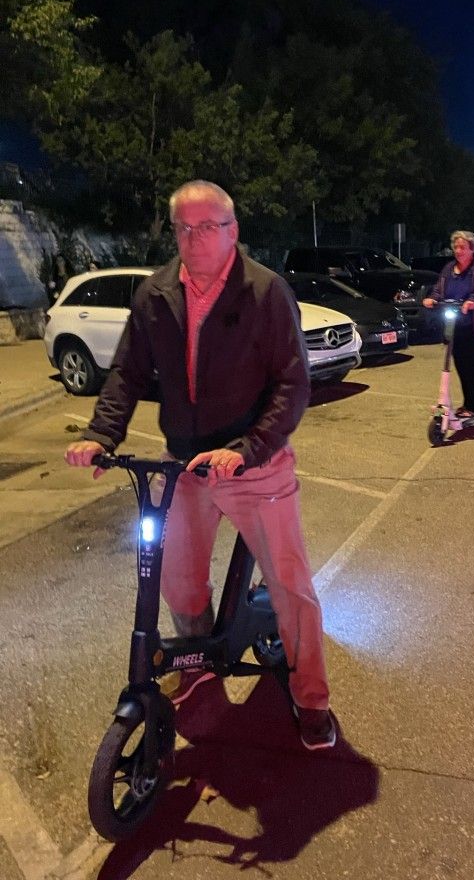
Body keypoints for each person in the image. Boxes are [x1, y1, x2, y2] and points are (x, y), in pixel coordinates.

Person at [65, 179, 335, 751]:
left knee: (291, 587)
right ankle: (199, 667)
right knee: (178, 582)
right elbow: (127, 374)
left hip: (254, 465)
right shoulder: (156, 294)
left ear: (232, 230)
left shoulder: (264, 292)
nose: (193, 238)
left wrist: (247, 450)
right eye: (183, 228)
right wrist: (100, 434)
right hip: (184, 465)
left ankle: (311, 698)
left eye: (207, 226)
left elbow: (293, 384)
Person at [422, 230, 474, 417]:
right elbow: (439, 289)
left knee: (473, 365)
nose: (458, 250)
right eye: (455, 247)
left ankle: (473, 405)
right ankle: (471, 401)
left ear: (472, 248)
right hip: (455, 324)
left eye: (462, 247)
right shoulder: (449, 268)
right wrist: (432, 298)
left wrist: (473, 300)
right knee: (460, 364)